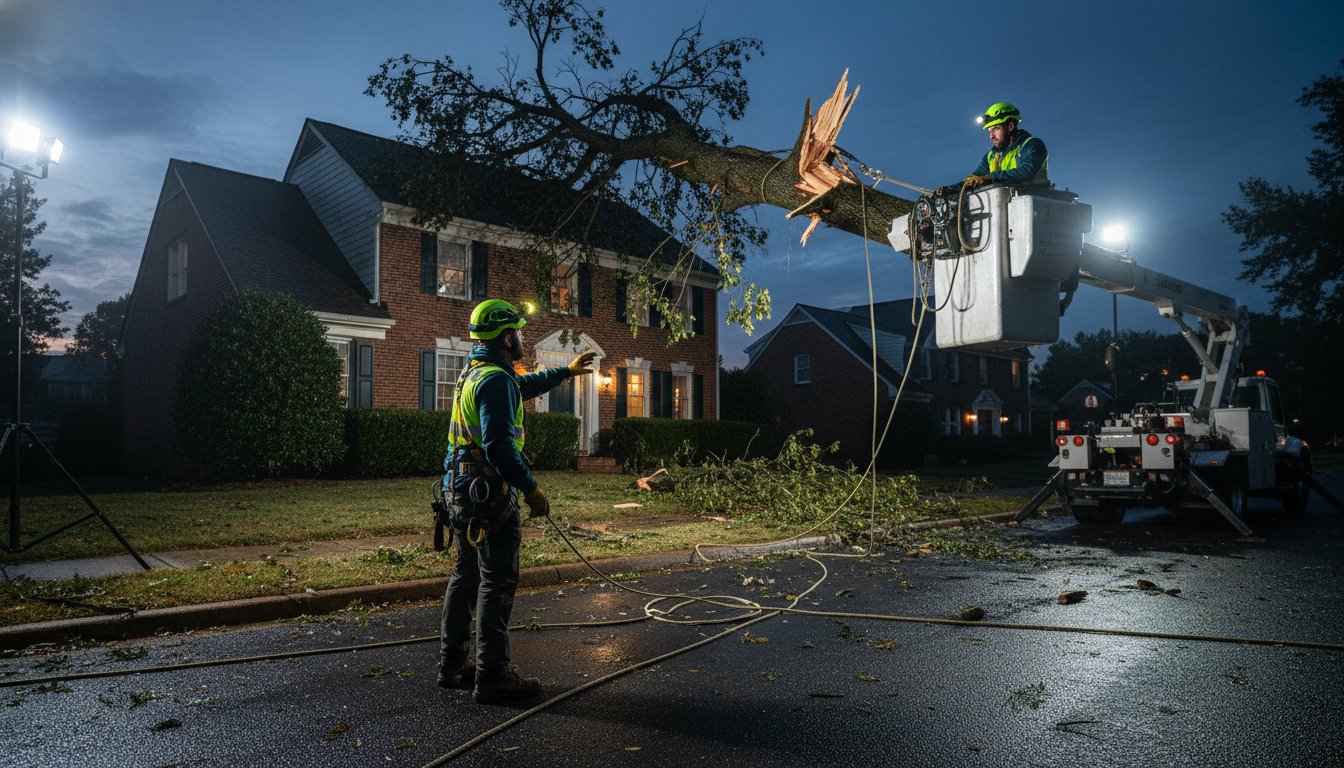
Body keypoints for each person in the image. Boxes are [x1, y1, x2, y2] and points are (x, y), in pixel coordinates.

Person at [437, 298, 595, 704]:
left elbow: (522, 386)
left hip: (460, 492)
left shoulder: (476, 373)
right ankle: (492, 676)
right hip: (488, 497)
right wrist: (531, 489)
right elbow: (500, 448)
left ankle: (452, 664)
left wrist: (566, 372)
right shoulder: (494, 381)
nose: (522, 337)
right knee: (496, 580)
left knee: (466, 576)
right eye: (519, 331)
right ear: (507, 337)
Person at [956, 101, 1050, 190]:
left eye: (995, 129)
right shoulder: (991, 156)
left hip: (1036, 200)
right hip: (1002, 201)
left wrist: (990, 177)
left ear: (1010, 126)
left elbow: (1027, 171)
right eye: (989, 131)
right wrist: (952, 189)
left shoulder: (1032, 144)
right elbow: (976, 177)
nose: (991, 136)